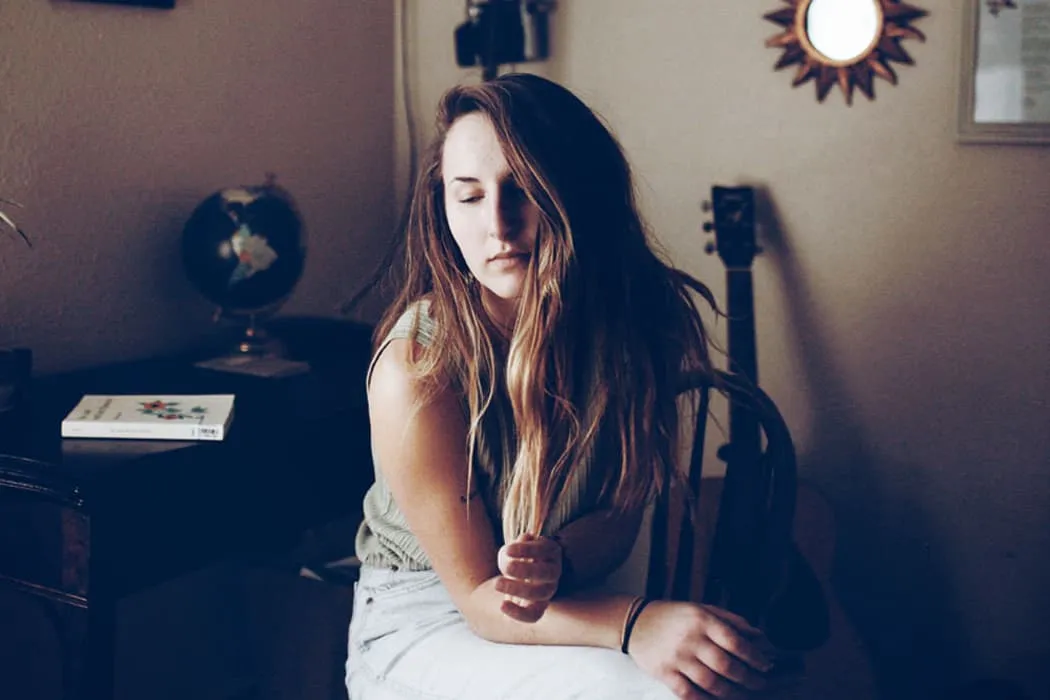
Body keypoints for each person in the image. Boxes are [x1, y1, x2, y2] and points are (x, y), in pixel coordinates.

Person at [345, 73, 784, 700]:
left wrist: (560, 558)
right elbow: (477, 599)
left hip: (571, 602)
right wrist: (637, 622)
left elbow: (616, 517)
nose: (497, 223)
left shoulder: (639, 326)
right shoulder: (418, 361)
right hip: (425, 618)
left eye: (522, 190)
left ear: (578, 193)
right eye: (467, 197)